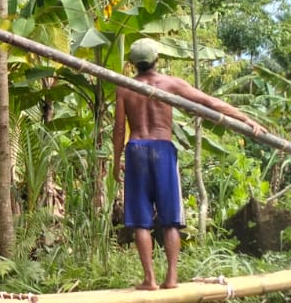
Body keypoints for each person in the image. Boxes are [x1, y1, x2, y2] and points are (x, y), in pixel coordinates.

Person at [114, 39, 266, 290]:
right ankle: (171, 278)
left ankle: (150, 279)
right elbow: (210, 102)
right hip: (163, 148)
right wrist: (246, 119)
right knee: (171, 219)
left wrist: (116, 162)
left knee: (140, 220)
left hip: (136, 150)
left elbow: (119, 129)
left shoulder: (124, 88)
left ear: (132, 64)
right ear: (157, 59)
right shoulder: (170, 83)